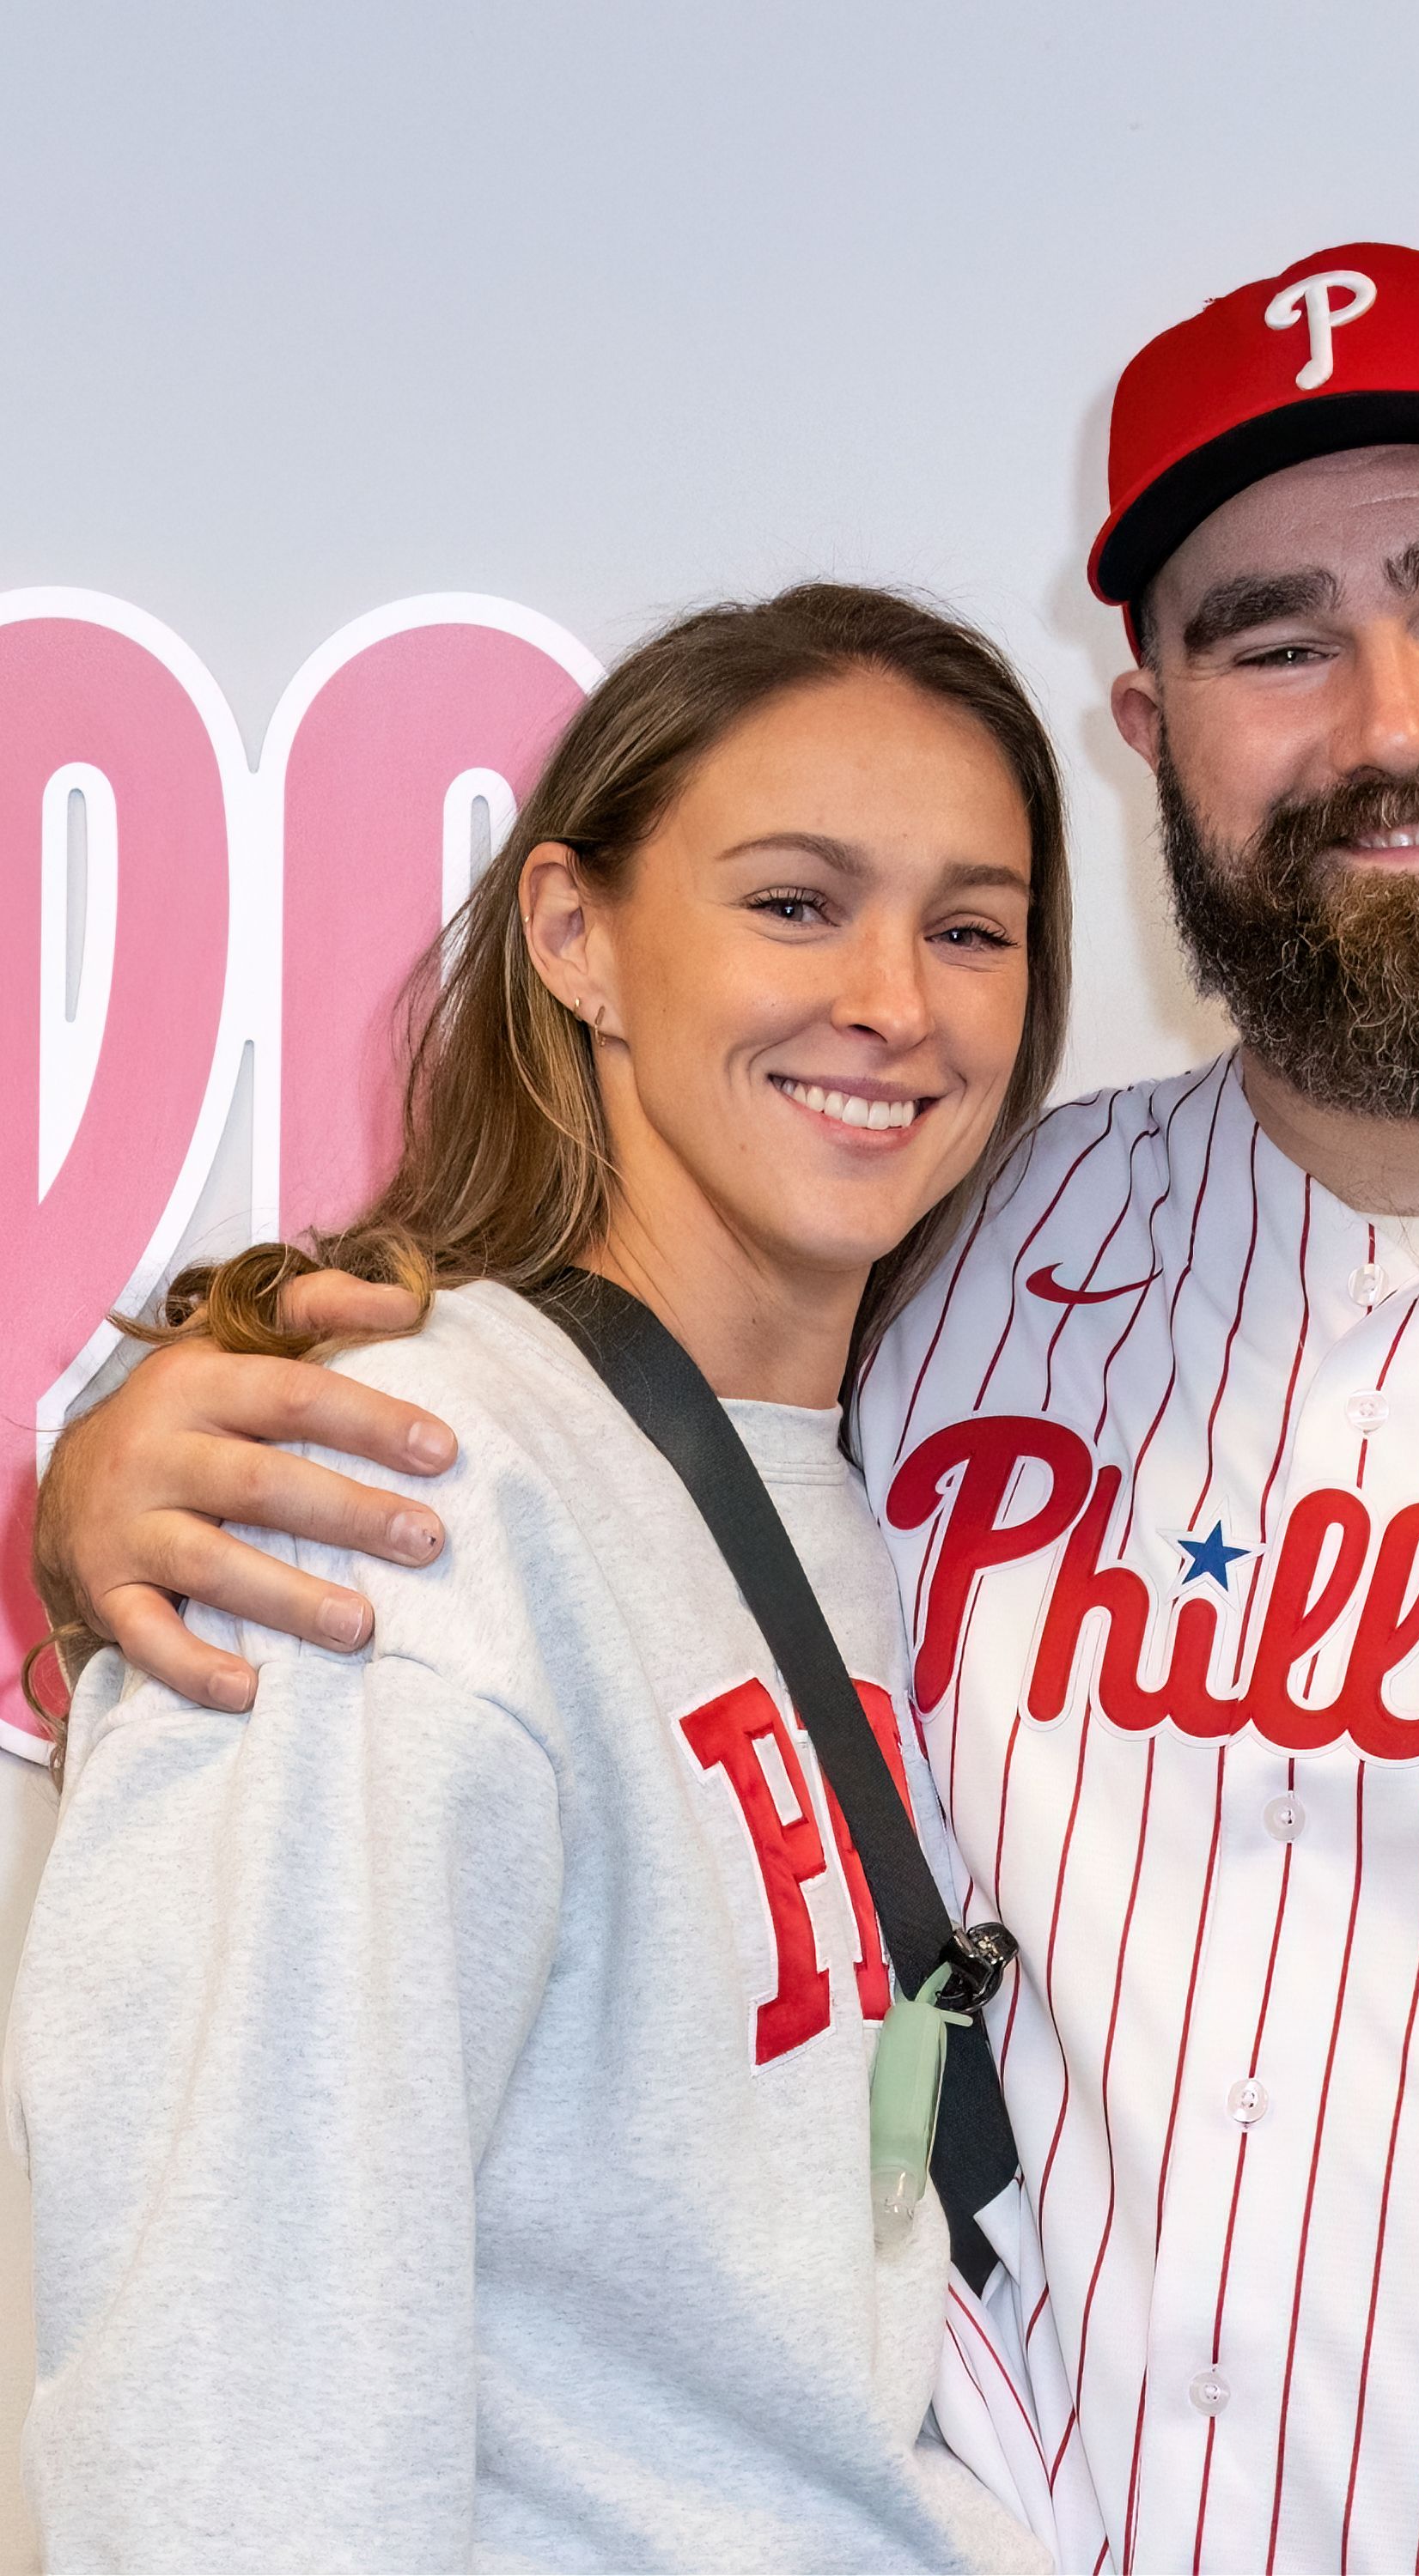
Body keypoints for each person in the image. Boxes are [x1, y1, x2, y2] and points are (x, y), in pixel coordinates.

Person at [32, 246, 1419, 2576]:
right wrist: (112, 1485)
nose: (1394, 717)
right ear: (1155, 726)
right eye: (1275, 638)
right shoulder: (942, 1285)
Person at [7, 585, 1101, 2571]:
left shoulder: (862, 1495)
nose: (894, 999)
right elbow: (234, 2418)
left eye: (970, 926)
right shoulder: (388, 1492)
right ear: (575, 936)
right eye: (793, 901)